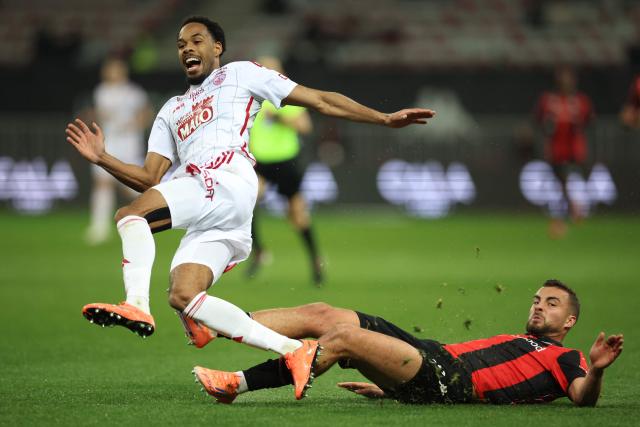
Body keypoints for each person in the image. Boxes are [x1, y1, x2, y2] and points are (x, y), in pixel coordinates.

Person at [65, 15, 435, 373]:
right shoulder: (171, 111)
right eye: (180, 45)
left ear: (217, 47)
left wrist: (384, 119)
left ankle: (136, 304)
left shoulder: (242, 73)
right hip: (218, 208)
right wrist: (101, 157)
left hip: (225, 178)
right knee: (183, 296)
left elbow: (319, 100)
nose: (187, 49)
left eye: (196, 41)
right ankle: (294, 350)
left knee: (129, 216)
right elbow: (149, 177)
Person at [193, 280, 623, 406]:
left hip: (451, 381)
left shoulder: (566, 357)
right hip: (431, 358)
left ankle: (236, 383)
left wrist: (598, 367)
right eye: (536, 299)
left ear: (569, 321)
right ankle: (214, 324)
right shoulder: (521, 340)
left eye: (550, 304)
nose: (538, 307)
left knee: (341, 339)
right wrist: (389, 383)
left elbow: (582, 398)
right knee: (325, 314)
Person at [247, 56, 323, 285]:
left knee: (297, 215)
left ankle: (315, 260)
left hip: (286, 162)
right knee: (247, 200)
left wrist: (279, 118)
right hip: (259, 162)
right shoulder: (251, 98)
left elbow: (305, 126)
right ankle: (259, 251)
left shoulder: (287, 96)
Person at [86, 57, 153, 245]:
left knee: (133, 185)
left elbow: (146, 113)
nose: (110, 72)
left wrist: (134, 126)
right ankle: (99, 227)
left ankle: (155, 214)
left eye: (115, 68)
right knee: (102, 183)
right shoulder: (101, 91)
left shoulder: (133, 92)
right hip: (109, 142)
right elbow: (99, 114)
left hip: (129, 143)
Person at [534, 66, 594, 239]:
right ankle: (570, 214)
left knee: (570, 182)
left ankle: (569, 214)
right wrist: (547, 126)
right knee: (562, 184)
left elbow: (590, 121)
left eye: (569, 79)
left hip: (576, 150)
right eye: (563, 79)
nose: (566, 82)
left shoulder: (581, 101)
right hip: (556, 151)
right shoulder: (549, 100)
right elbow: (538, 120)